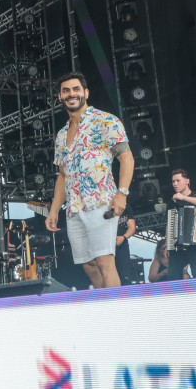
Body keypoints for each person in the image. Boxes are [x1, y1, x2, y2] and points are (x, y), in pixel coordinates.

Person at [46, 71, 134, 289]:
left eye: (76, 89)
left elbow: (126, 157)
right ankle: (103, 305)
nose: (71, 94)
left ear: (85, 92)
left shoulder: (105, 120)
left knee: (104, 260)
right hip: (75, 208)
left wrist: (122, 192)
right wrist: (54, 210)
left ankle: (117, 311)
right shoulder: (61, 134)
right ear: (60, 97)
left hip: (100, 202)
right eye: (66, 90)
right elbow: (63, 175)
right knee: (88, 264)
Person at [166, 168, 196, 280]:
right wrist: (168, 244)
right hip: (177, 247)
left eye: (178, 180)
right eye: (173, 181)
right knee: (173, 275)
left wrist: (184, 197)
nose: (175, 184)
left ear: (187, 181)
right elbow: (169, 223)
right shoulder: (173, 201)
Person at [115, 210, 136, 284]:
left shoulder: (126, 206)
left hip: (122, 246)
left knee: (124, 276)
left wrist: (123, 237)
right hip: (106, 246)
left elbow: (132, 227)